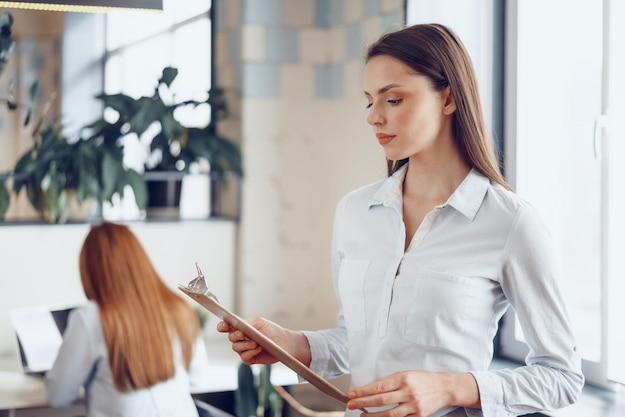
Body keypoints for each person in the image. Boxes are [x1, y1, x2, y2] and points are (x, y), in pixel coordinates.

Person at [218, 23, 584, 417]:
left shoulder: (511, 223)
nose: (374, 117)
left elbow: (561, 376)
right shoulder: (355, 212)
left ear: (448, 98)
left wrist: (449, 387)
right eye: (369, 101)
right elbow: (355, 341)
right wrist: (292, 344)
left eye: (393, 100)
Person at [45, 221, 211, 417]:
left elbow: (58, 396)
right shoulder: (179, 308)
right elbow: (198, 378)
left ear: (90, 271)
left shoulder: (90, 318)